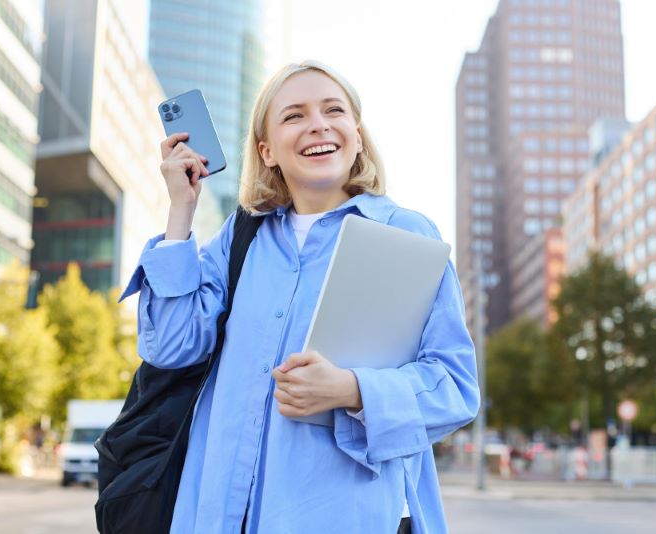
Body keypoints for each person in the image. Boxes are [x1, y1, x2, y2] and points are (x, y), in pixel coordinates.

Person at [120, 60, 480, 534]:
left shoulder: (404, 234)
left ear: (356, 131)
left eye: (334, 110)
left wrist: (353, 390)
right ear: (267, 151)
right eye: (294, 115)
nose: (318, 124)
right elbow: (170, 346)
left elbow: (455, 387)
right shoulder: (239, 238)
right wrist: (180, 213)